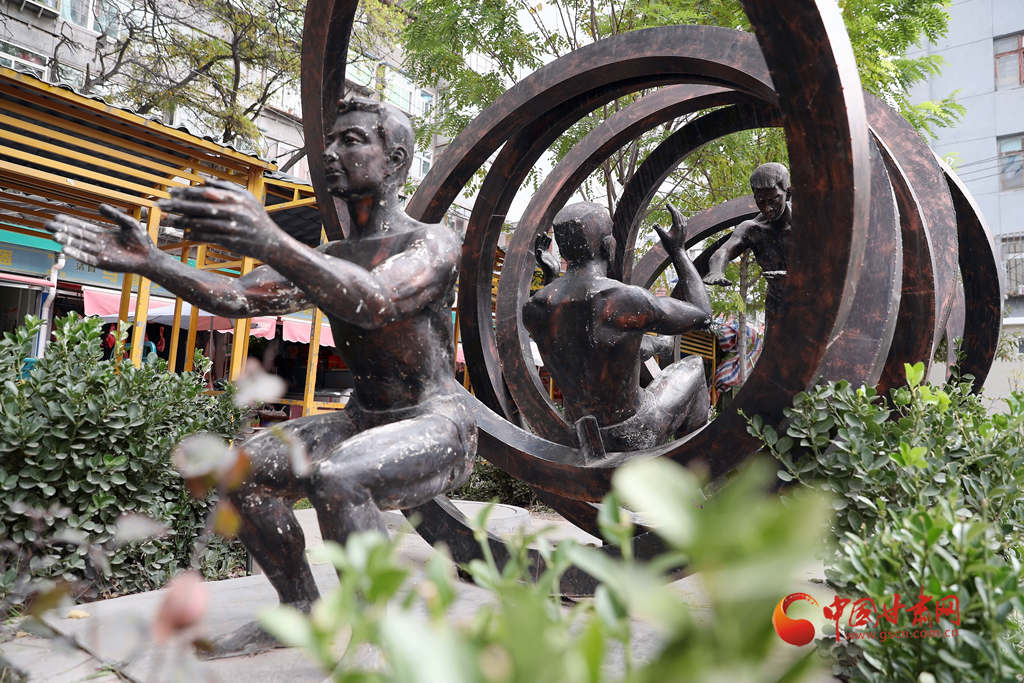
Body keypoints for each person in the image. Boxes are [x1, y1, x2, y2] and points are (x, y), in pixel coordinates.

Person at [46, 97, 476, 658]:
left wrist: (272, 239)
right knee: (242, 473)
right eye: (330, 141)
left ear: (394, 160)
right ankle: (298, 608)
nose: (330, 153)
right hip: (362, 419)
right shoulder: (330, 254)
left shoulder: (433, 242)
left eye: (350, 141)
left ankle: (378, 636)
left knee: (340, 478)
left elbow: (374, 301)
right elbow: (236, 296)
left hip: (436, 422)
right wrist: (153, 261)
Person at [522, 201, 712, 452]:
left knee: (633, 345)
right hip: (633, 431)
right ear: (605, 244)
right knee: (694, 366)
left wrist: (551, 279)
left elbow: (580, 345)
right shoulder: (623, 299)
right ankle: (695, 463)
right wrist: (678, 251)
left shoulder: (534, 308)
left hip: (579, 436)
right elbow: (702, 314)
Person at [703, 162, 792, 321]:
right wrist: (716, 271)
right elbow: (724, 251)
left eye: (773, 200)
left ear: (789, 194)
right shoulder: (753, 229)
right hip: (777, 302)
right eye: (761, 201)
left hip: (815, 298)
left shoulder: (808, 222)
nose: (767, 208)